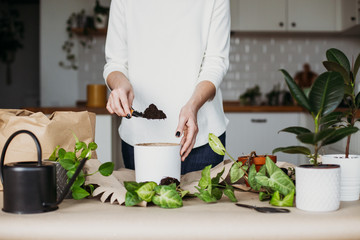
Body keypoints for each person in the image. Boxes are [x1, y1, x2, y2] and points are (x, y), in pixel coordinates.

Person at [103, 0, 230, 175]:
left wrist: (193, 106)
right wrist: (120, 85)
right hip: (140, 139)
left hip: (201, 140)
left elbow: (216, 63)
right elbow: (115, 63)